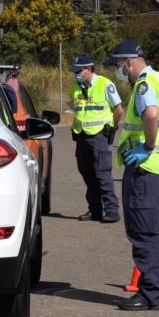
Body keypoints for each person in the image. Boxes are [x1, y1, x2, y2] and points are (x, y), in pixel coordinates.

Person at [104, 41, 159, 311]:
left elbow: (151, 113)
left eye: (117, 65)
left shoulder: (145, 83)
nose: (117, 70)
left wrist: (148, 146)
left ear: (129, 61)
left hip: (148, 169)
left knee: (145, 232)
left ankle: (150, 293)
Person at [69, 54, 124, 223]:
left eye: (79, 71)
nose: (76, 74)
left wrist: (111, 128)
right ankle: (95, 210)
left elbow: (119, 109)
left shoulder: (105, 84)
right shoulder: (74, 86)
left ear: (89, 69)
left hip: (99, 134)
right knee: (86, 172)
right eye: (75, 71)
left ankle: (112, 210)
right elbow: (77, 108)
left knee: (102, 173)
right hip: (81, 134)